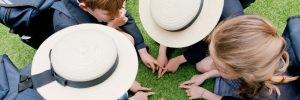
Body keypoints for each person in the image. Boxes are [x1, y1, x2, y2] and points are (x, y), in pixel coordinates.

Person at [179, 15, 299, 100]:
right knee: (202, 66)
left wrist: (204, 93)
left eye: (218, 66)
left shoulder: (265, 95)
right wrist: (205, 76)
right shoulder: (257, 55)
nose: (211, 66)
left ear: (243, 73)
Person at [53, 0, 160, 73]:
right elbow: (86, 55)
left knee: (128, 41)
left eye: (119, 7)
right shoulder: (65, 24)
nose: (118, 14)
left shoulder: (105, 6)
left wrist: (143, 52)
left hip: (94, 27)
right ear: (85, 8)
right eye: (109, 13)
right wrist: (111, 27)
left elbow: (124, 16)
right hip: (80, 51)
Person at [153, 0, 248, 78]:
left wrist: (178, 60)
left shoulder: (231, 25)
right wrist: (162, 53)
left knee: (203, 66)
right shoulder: (174, 6)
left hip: (228, 24)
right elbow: (169, 21)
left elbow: (207, 46)